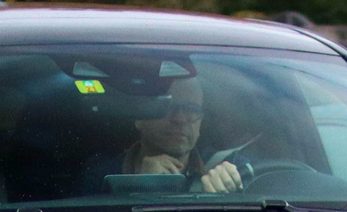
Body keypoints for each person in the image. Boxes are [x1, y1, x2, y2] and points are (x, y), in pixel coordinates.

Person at [97, 70, 241, 193]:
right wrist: (140, 183)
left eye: (192, 109)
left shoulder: (232, 166)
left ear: (200, 122)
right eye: (168, 106)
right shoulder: (101, 173)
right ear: (140, 118)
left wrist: (231, 189)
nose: (180, 119)